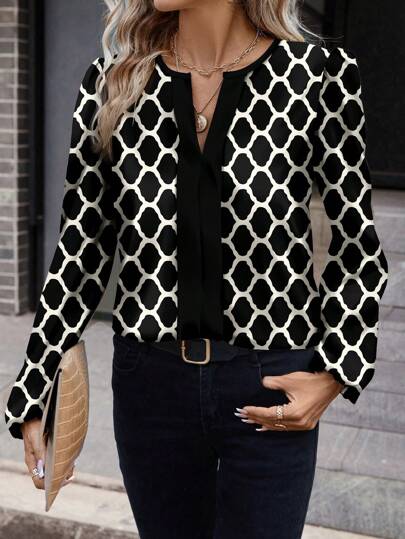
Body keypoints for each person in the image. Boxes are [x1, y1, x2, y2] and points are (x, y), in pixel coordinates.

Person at [4, 0, 389, 537]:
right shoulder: (114, 83)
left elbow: (358, 249)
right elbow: (81, 250)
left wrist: (335, 372)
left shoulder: (317, 77)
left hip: (269, 383)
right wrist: (36, 382)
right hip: (151, 389)